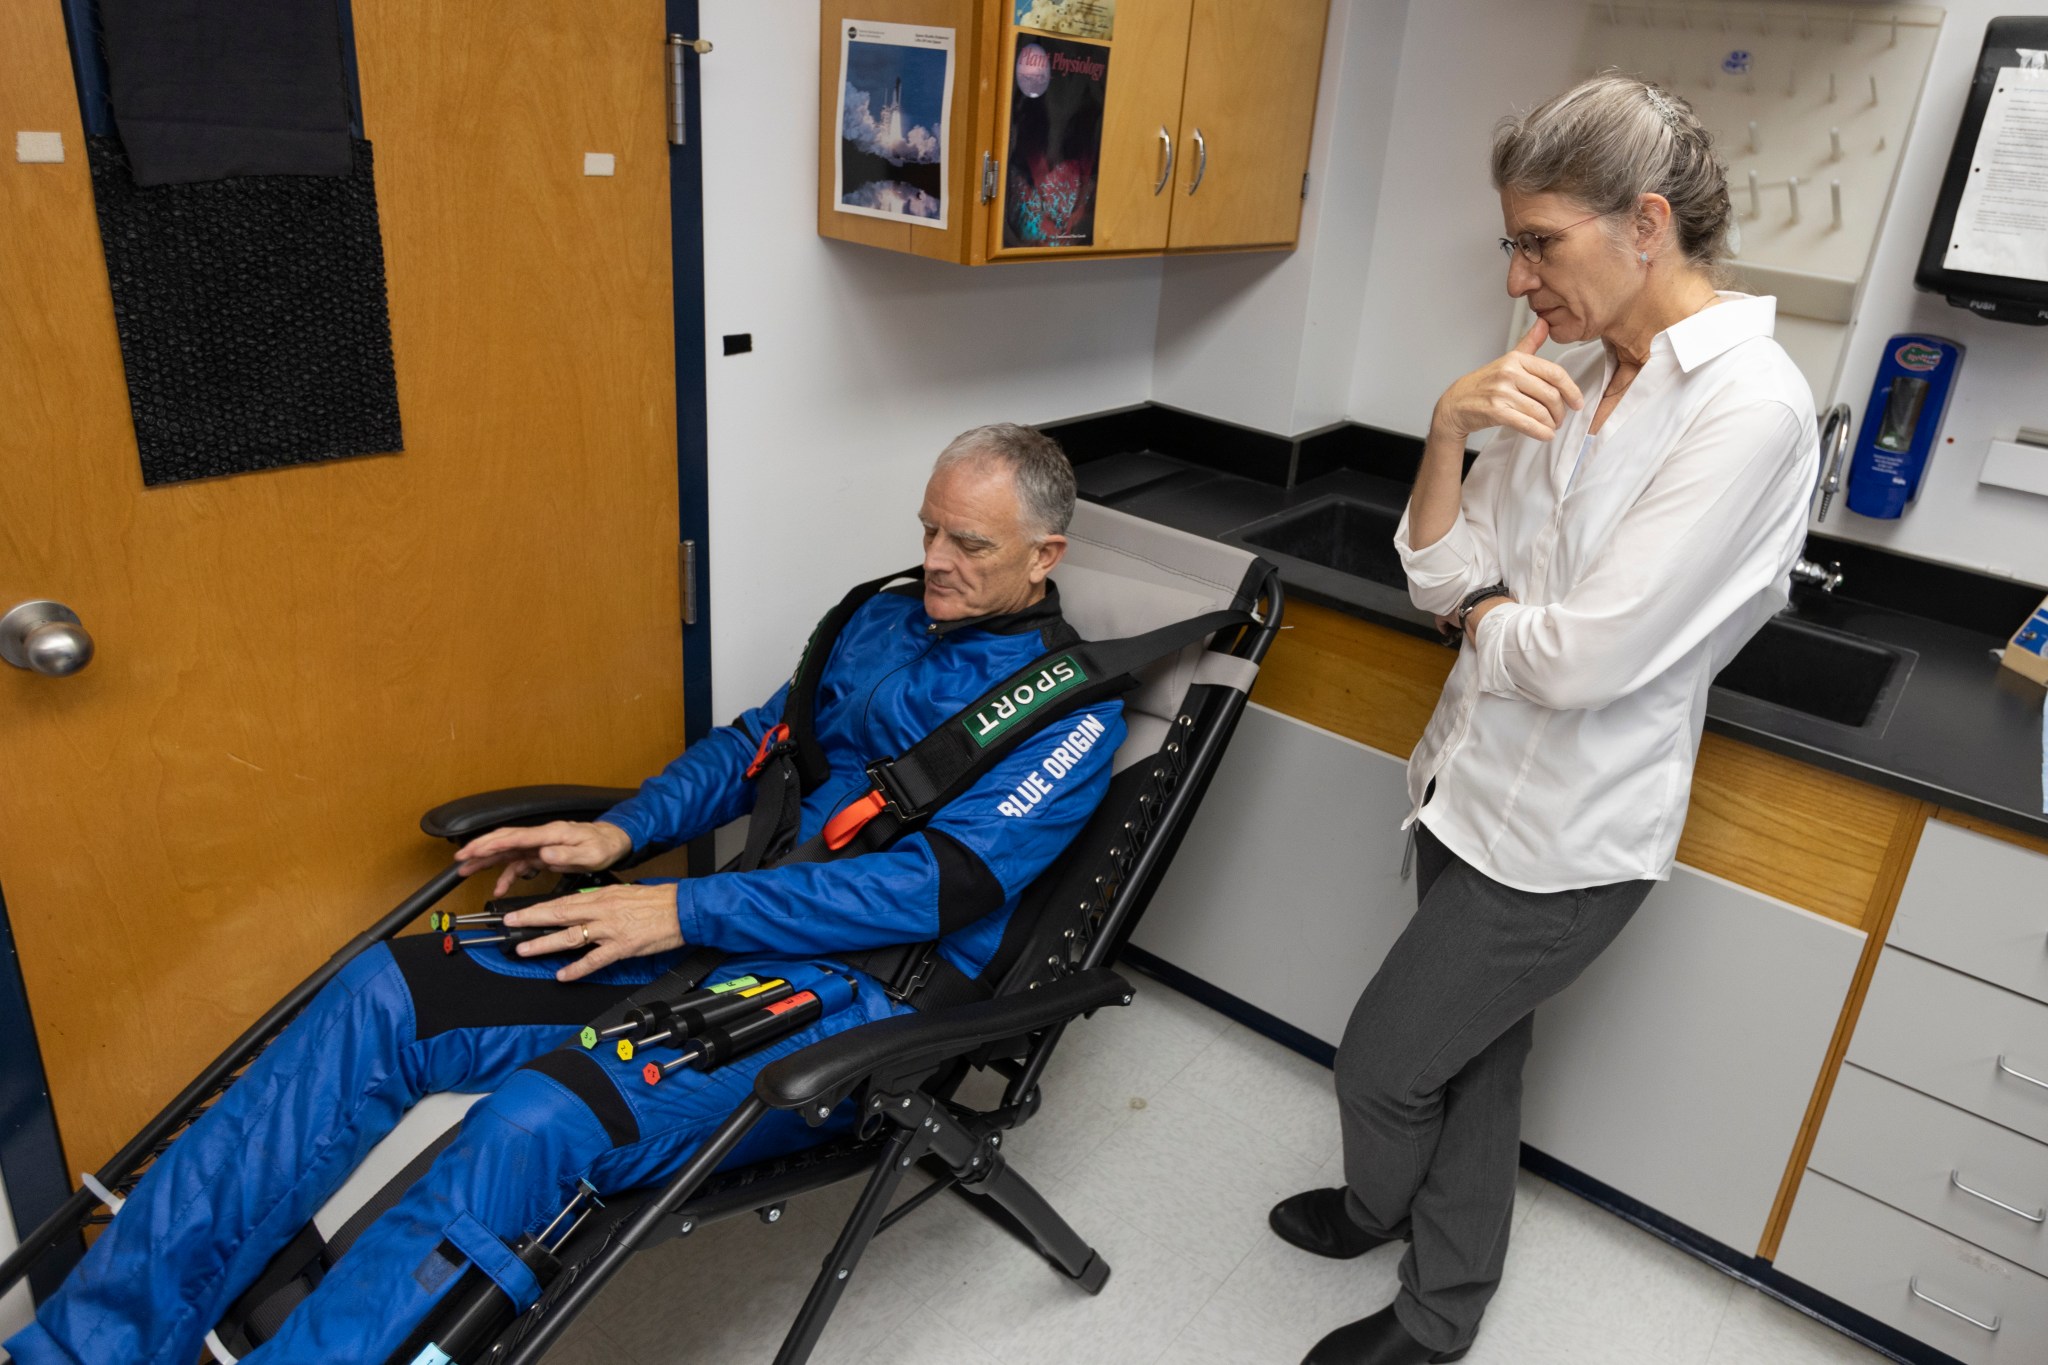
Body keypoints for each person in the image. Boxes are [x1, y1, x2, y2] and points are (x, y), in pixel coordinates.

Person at [7, 423, 1125, 1365]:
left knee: (537, 1123)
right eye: (926, 527)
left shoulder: (1067, 716)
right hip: (717, 926)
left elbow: (927, 890)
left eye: (966, 543)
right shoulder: (885, 622)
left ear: (1044, 556)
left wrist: (679, 910)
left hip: (854, 997)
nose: (932, 557)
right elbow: (755, 748)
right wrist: (619, 833)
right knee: (388, 991)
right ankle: (83, 1348)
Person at [1270, 77, 1817, 1365]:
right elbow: (1437, 572)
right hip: (1464, 784)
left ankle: (1386, 1219)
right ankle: (1430, 1292)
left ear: (1642, 224)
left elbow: (1584, 660)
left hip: (1564, 839)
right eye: (1508, 245)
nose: (1517, 281)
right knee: (1475, 1064)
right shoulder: (1566, 372)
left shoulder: (1748, 408)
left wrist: (1490, 613)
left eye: (1537, 242)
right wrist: (1445, 433)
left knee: (1384, 1067)